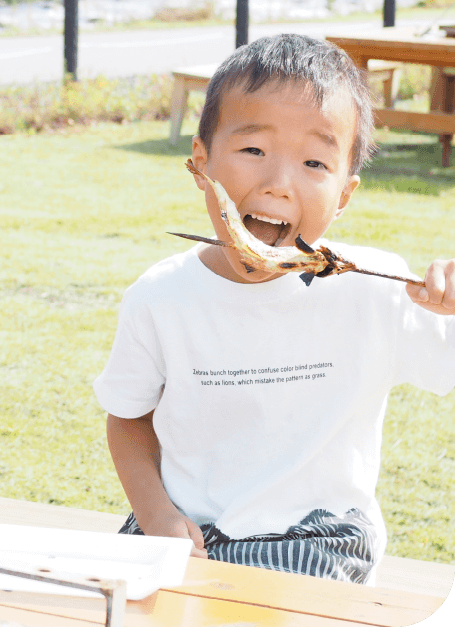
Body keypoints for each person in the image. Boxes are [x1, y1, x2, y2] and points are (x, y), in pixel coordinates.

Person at [93, 33, 453, 584]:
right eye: (254, 150)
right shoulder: (159, 297)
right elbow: (128, 417)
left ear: (344, 194)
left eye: (314, 161)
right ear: (201, 163)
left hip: (318, 538)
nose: (279, 184)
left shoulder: (378, 292)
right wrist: (157, 513)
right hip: (181, 529)